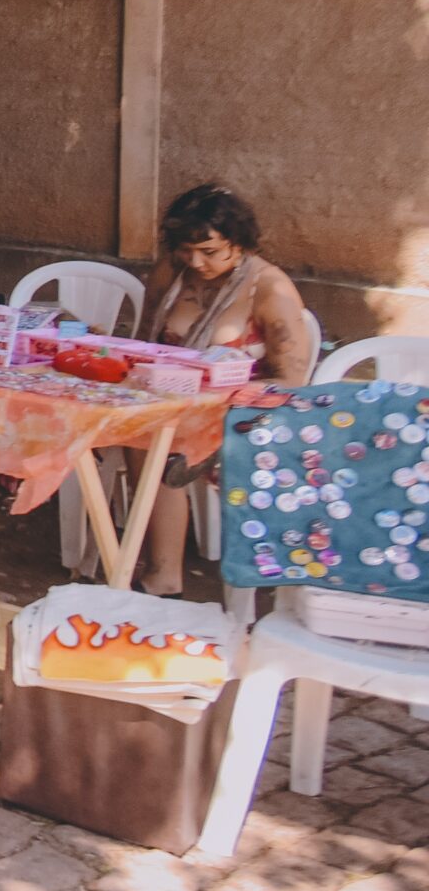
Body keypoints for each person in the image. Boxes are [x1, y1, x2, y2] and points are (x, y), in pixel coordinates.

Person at [130, 183, 314, 593]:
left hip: (243, 410)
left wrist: (216, 395)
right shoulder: (170, 272)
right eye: (185, 249)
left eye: (209, 251)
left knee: (156, 438)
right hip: (170, 401)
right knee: (140, 426)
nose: (195, 262)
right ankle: (133, 560)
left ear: (240, 242)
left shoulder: (268, 287)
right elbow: (142, 346)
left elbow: (292, 381)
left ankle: (161, 576)